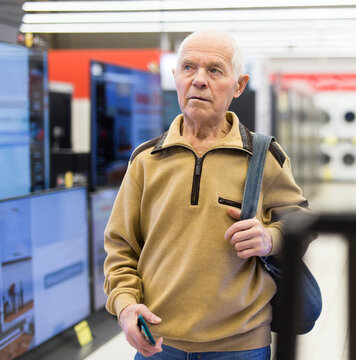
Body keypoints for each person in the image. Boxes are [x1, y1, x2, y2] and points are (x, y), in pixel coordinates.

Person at [103, 30, 312, 360]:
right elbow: (121, 248)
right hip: (158, 343)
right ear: (175, 77)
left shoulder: (262, 155)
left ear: (239, 85)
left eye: (214, 70)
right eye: (188, 67)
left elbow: (303, 220)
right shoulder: (146, 160)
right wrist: (126, 306)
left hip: (241, 344)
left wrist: (270, 238)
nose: (199, 80)